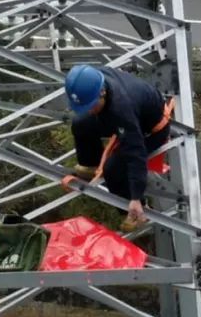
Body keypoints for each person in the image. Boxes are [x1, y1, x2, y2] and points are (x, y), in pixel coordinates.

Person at [63, 64, 174, 226]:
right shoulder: (93, 78)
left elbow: (136, 154)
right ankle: (90, 167)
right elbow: (93, 110)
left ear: (103, 92)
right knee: (80, 124)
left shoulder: (121, 108)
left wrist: (136, 197)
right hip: (124, 116)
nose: (90, 110)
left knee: (113, 170)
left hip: (151, 131)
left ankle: (135, 209)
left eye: (92, 105)